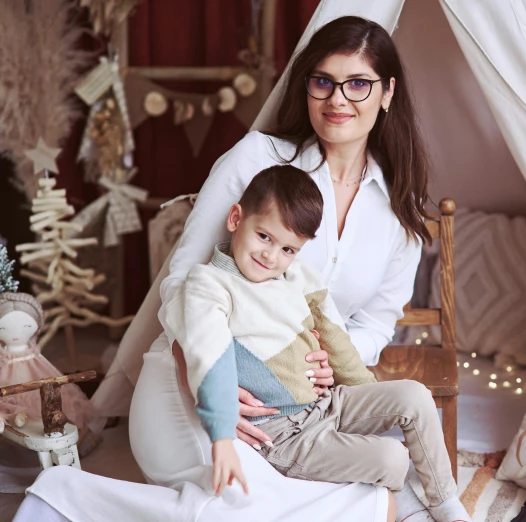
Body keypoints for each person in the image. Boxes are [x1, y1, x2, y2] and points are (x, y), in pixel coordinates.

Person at [13, 15, 455, 522]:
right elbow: (180, 281)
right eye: (323, 82)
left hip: (299, 407)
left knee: (334, 491)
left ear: (387, 92)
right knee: (240, 498)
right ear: (305, 87)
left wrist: (331, 363)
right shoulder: (256, 160)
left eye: (358, 83)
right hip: (188, 381)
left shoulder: (399, 208)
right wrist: (209, 384)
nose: (338, 99)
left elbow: (376, 322)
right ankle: (63, 499)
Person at [168, 164, 469, 521]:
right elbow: (209, 355)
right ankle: (397, 506)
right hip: (282, 435)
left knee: (415, 395)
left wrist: (367, 398)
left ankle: (445, 502)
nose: (271, 256)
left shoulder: (294, 275)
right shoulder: (209, 285)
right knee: (392, 457)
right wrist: (221, 435)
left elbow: (332, 335)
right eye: (263, 237)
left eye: (288, 249)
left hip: (326, 405)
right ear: (236, 219)